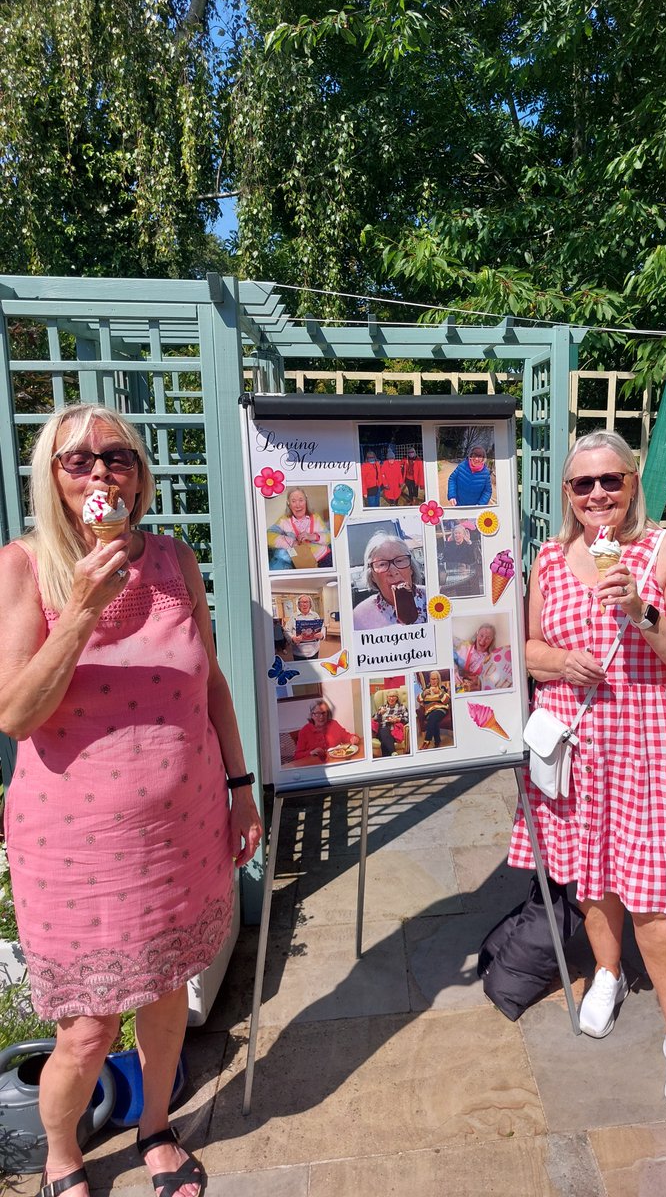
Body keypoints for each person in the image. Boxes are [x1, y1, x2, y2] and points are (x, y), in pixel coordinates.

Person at [0, 404, 263, 1197]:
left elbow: (210, 681)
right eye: (78, 461)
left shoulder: (177, 560)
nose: (101, 473)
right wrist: (79, 608)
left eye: (118, 457)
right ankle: (62, 1160)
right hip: (76, 848)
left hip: (182, 829)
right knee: (85, 1029)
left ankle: (155, 1128)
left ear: (140, 475)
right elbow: (15, 713)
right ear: (52, 477)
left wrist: (241, 791)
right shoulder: (23, 565)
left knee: (166, 993)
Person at [507, 429, 666, 1111]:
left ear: (631, 484)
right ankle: (606, 972)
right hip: (574, 743)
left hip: (647, 740)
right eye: (582, 484)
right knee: (589, 874)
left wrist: (638, 609)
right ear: (566, 495)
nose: (597, 494)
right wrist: (561, 662)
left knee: (655, 890)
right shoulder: (549, 556)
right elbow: (529, 647)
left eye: (610, 480)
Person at [352, 533, 427, 629]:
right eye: (382, 564)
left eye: (399, 561)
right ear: (372, 576)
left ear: (411, 568)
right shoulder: (359, 617)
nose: (393, 571)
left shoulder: (434, 599)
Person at [269, 487, 331, 569]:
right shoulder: (283, 520)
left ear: (306, 501)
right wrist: (291, 542)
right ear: (288, 503)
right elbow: (268, 535)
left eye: (301, 500)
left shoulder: (315, 517)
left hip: (323, 558)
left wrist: (313, 536)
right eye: (293, 501)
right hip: (299, 561)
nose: (298, 505)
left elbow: (329, 537)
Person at [292, 697, 360, 765]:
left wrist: (353, 737)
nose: (321, 717)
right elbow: (297, 756)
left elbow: (346, 736)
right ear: (312, 715)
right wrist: (311, 752)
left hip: (336, 762)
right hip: (317, 766)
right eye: (318, 713)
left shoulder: (334, 724)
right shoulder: (304, 731)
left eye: (324, 713)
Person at [454, 623, 497, 692]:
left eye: (488, 638)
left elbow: (492, 680)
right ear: (477, 634)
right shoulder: (464, 647)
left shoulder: (492, 659)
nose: (483, 641)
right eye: (481, 635)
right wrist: (454, 671)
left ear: (492, 640)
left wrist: (480, 682)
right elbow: (449, 657)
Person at [287, 593, 326, 660]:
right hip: (298, 652)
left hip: (314, 650)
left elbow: (323, 627)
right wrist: (293, 638)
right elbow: (286, 630)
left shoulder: (315, 615)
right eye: (302, 602)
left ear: (310, 604)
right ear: (299, 605)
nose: (304, 604)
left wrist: (322, 634)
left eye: (306, 602)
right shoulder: (293, 616)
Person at [418, 670, 451, 749]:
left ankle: (427, 741)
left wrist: (439, 692)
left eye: (435, 679)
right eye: (432, 679)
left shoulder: (442, 688)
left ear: (438, 679)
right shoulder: (426, 689)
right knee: (433, 719)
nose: (433, 681)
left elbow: (447, 701)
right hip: (429, 711)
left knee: (433, 717)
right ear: (429, 679)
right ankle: (437, 741)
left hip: (441, 709)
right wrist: (423, 693)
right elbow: (419, 700)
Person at [373, 689, 409, 757]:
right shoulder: (382, 707)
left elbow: (407, 719)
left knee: (384, 743)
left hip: (395, 731)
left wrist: (398, 719)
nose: (391, 698)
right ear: (387, 698)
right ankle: (393, 752)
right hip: (382, 730)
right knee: (384, 730)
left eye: (393, 696)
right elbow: (375, 719)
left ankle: (387, 761)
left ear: (397, 698)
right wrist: (380, 713)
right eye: (389, 696)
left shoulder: (402, 707)